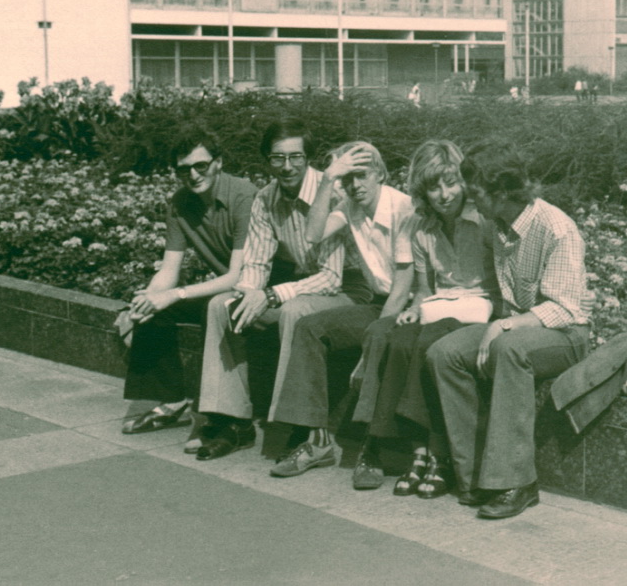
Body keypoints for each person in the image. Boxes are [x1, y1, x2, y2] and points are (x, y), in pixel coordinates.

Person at [426, 144, 592, 519]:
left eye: (477, 193)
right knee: (443, 352)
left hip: (565, 335)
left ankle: (516, 482)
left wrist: (503, 325)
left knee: (510, 350)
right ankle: (470, 476)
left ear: (501, 193)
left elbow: (565, 308)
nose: (470, 199)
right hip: (516, 326)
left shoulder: (557, 228)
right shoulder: (495, 225)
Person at [194, 118, 365, 461]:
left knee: (293, 310)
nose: (287, 167)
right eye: (278, 158)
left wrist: (270, 295)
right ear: (266, 160)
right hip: (302, 285)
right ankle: (231, 421)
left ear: (308, 158)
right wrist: (248, 294)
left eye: (296, 158)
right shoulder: (265, 199)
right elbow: (256, 264)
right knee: (220, 305)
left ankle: (293, 425)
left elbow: (331, 278)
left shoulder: (332, 192)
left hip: (349, 290)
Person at [351, 140, 498, 497]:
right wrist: (414, 309)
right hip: (438, 306)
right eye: (434, 186)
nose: (444, 194)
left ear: (463, 182)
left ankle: (436, 451)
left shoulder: (482, 222)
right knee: (394, 335)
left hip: (478, 309)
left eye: (451, 183)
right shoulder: (422, 229)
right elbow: (423, 288)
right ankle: (410, 448)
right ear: (423, 190)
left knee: (429, 344)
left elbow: (499, 284)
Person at [268, 141, 416, 484]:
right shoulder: (350, 206)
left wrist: (368, 348)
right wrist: (327, 180)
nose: (355, 186)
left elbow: (404, 288)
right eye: (347, 180)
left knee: (378, 338)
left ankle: (373, 449)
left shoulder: (403, 209)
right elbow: (312, 233)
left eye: (361, 176)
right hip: (381, 303)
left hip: (414, 308)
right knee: (309, 327)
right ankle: (317, 441)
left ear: (380, 173)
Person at [121, 127, 257, 453]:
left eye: (201, 166)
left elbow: (238, 276)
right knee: (153, 308)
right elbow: (168, 272)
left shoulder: (244, 196)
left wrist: (175, 295)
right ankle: (173, 400)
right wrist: (141, 304)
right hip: (226, 286)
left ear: (218, 163)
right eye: (184, 169)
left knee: (213, 308)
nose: (193, 175)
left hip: (258, 287)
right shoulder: (181, 203)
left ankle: (217, 418)